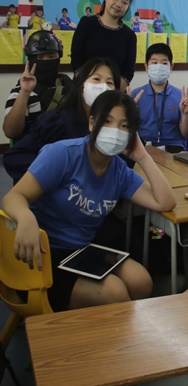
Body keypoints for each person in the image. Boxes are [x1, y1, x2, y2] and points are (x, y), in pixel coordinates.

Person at [2, 89, 175, 311]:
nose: (115, 131)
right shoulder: (63, 154)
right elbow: (14, 196)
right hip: (41, 252)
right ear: (93, 123)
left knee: (141, 281)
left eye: (124, 126)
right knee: (115, 293)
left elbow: (165, 202)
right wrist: (26, 217)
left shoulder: (119, 171)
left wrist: (142, 156)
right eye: (108, 121)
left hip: (80, 251)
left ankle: (107, 325)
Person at [3, 57, 119, 184]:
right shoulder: (57, 121)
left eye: (109, 83)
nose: (103, 86)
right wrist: (57, 174)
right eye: (96, 79)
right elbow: (15, 158)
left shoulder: (116, 127)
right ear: (81, 85)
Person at [4, 30, 73, 142]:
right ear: (30, 60)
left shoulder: (68, 84)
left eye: (51, 56)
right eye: (40, 58)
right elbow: (11, 132)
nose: (46, 61)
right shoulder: (20, 91)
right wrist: (25, 92)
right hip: (35, 149)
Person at [71, 0, 137, 88]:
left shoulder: (129, 35)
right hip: (83, 88)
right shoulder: (87, 23)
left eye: (124, 2)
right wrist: (86, 87)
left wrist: (112, 92)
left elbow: (128, 72)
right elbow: (76, 57)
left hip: (113, 92)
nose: (118, 4)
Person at [131, 43, 188, 152]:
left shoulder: (180, 96)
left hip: (174, 148)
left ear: (171, 67)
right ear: (146, 67)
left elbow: (187, 134)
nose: (159, 67)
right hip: (143, 148)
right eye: (154, 63)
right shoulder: (136, 95)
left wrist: (185, 114)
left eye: (164, 63)